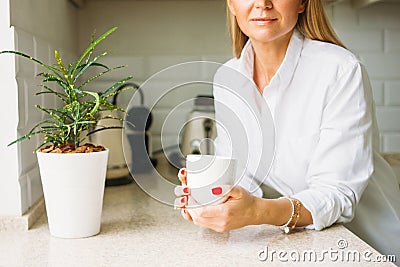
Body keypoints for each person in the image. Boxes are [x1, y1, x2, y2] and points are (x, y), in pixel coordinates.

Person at [174, 0, 400, 260]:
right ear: (231, 4)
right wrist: (213, 197)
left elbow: (337, 193)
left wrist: (258, 212)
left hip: (365, 247)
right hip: (297, 246)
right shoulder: (228, 77)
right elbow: (241, 176)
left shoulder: (341, 70)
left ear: (303, 2)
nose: (262, 4)